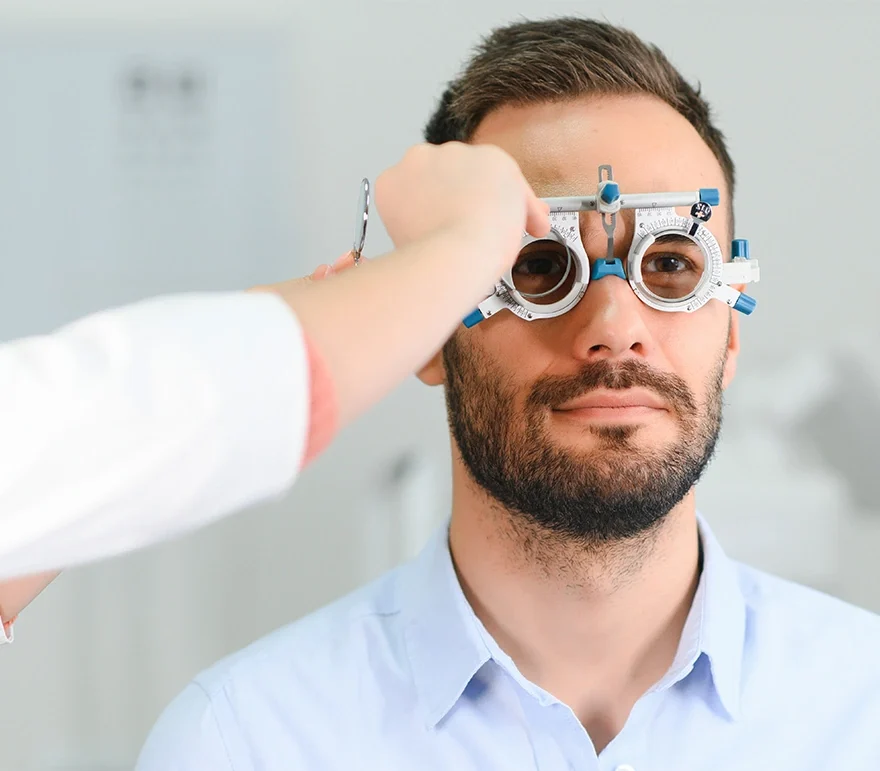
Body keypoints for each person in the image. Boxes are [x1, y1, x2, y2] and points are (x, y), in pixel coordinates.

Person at [136, 16, 880, 771]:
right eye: (539, 267)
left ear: (730, 332)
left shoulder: (863, 713)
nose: (615, 328)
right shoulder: (244, 742)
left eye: (670, 266)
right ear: (425, 331)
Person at [0, 141, 551, 641]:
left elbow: (58, 471)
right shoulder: (239, 712)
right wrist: (465, 245)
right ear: (435, 348)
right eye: (537, 265)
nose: (598, 334)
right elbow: (115, 433)